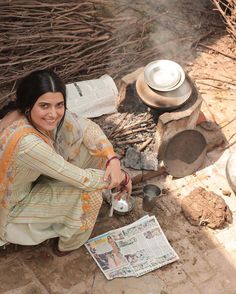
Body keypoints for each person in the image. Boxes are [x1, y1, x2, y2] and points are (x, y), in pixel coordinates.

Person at [0, 69, 132, 256]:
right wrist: (123, 178)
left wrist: (112, 158)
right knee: (91, 194)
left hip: (31, 177)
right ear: (29, 105)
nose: (53, 114)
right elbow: (83, 179)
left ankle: (66, 212)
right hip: (11, 206)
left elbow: (86, 127)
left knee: (96, 152)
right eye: (44, 106)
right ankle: (67, 246)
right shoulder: (28, 144)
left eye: (59, 105)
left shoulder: (23, 113)